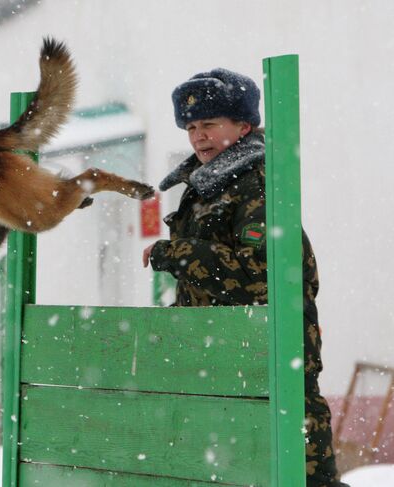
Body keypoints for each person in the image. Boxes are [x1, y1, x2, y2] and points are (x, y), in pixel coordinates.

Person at [143, 68, 348, 487]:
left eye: (210, 124)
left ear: (243, 127)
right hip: (223, 355)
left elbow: (258, 277)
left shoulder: (258, 184)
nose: (198, 135)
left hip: (269, 354)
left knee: (297, 469)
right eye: (192, 127)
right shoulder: (204, 187)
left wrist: (176, 253)